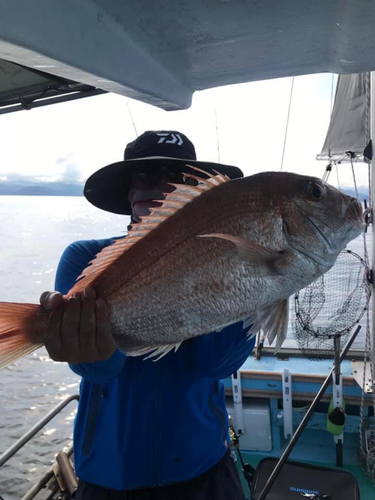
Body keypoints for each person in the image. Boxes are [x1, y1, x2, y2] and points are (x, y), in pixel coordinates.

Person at [40, 130, 256, 500]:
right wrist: (77, 339)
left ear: (196, 191)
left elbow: (215, 363)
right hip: (110, 473)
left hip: (203, 463)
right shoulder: (84, 258)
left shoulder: (230, 254)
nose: (157, 186)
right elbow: (99, 370)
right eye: (144, 175)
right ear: (128, 191)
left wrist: (252, 284)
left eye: (175, 177)